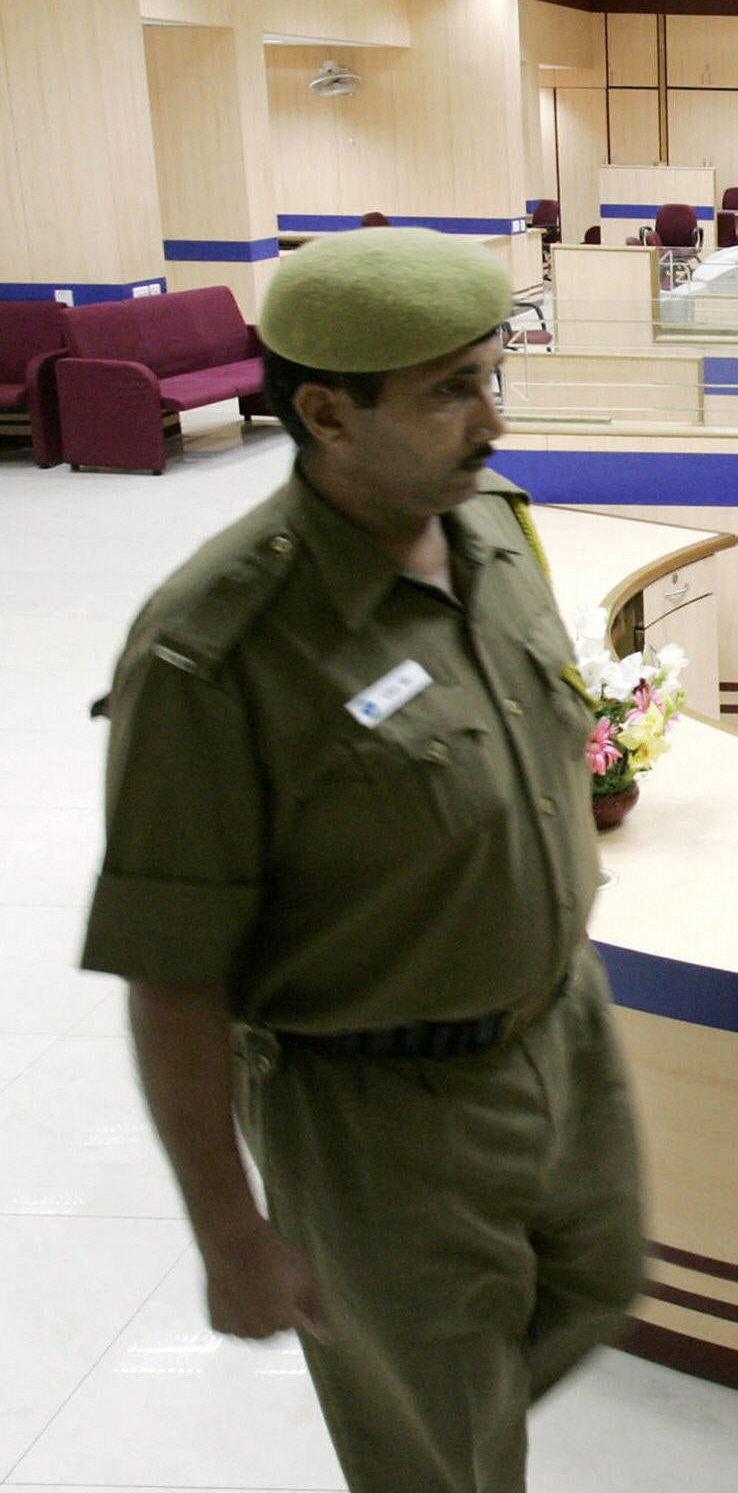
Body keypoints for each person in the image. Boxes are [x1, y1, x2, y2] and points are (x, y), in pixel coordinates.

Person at [81, 228, 644, 1493]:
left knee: (600, 1279)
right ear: (327, 414)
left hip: (565, 1036)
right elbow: (170, 975)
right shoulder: (215, 651)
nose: (490, 417)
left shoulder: (493, 529)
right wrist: (231, 1229)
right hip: (378, 1114)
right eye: (451, 389)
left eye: (494, 374)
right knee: (436, 1450)